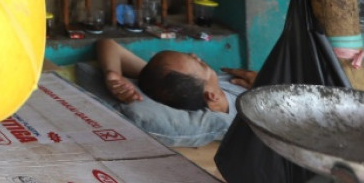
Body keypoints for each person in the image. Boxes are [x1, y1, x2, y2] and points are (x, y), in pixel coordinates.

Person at [95, 37, 256, 112]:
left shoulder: (179, 81)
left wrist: (113, 74)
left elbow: (108, 44)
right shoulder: (247, 110)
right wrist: (266, 85)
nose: (194, 55)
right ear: (212, 96)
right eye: (198, 63)